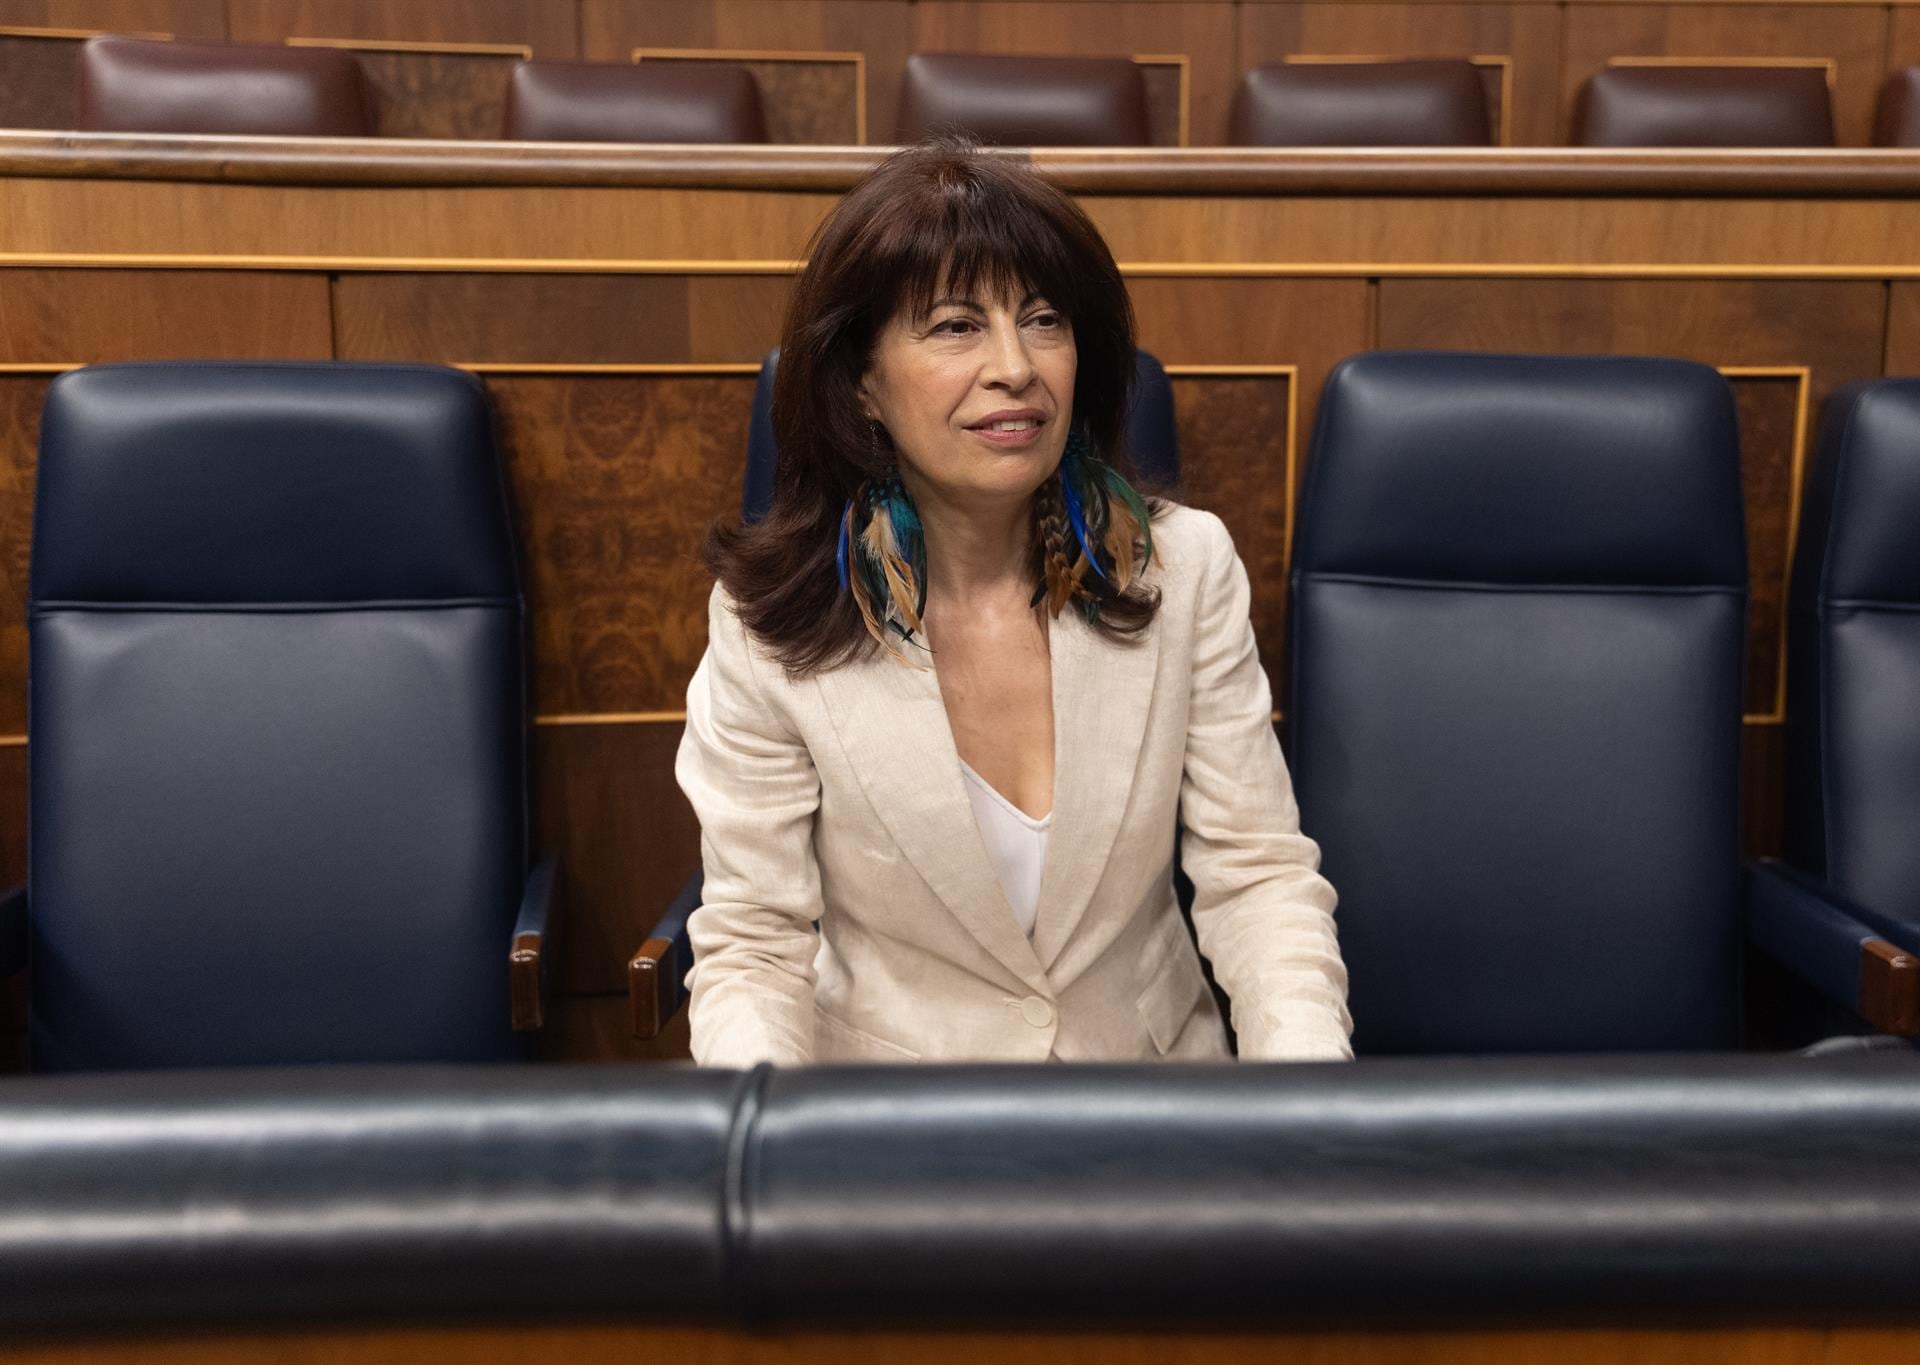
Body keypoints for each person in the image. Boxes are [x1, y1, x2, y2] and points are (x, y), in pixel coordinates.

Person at [675, 135, 1351, 1066]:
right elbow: (755, 944)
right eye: (955, 326)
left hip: (1151, 1118)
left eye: (1042, 320)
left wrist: (1313, 1109)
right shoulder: (768, 625)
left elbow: (1258, 878)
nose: (1015, 367)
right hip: (894, 1147)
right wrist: (776, 1159)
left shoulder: (1184, 570)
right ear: (862, 381)